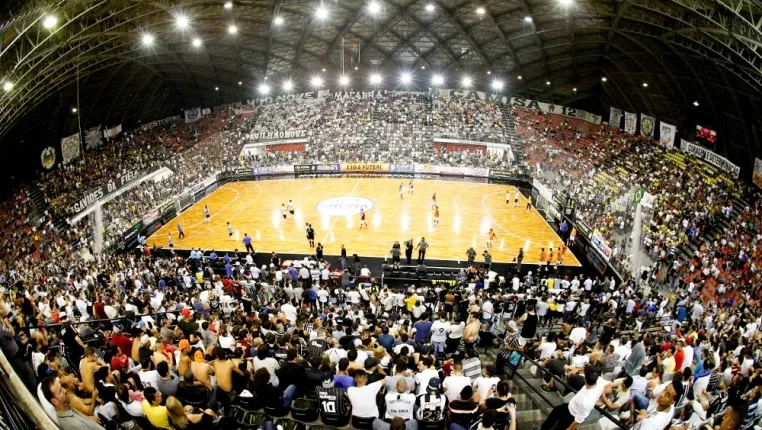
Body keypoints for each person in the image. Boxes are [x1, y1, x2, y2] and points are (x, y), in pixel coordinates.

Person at [540, 364, 604, 430]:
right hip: (569, 406)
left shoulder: (586, 402)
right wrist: (598, 401)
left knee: (559, 427)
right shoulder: (600, 382)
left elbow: (578, 421)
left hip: (571, 415)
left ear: (585, 379)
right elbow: (603, 392)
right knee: (555, 412)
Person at [40, 376, 106, 430]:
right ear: (55, 401)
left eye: (62, 387)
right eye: (60, 391)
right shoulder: (76, 426)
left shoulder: (65, 406)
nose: (65, 390)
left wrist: (87, 419)